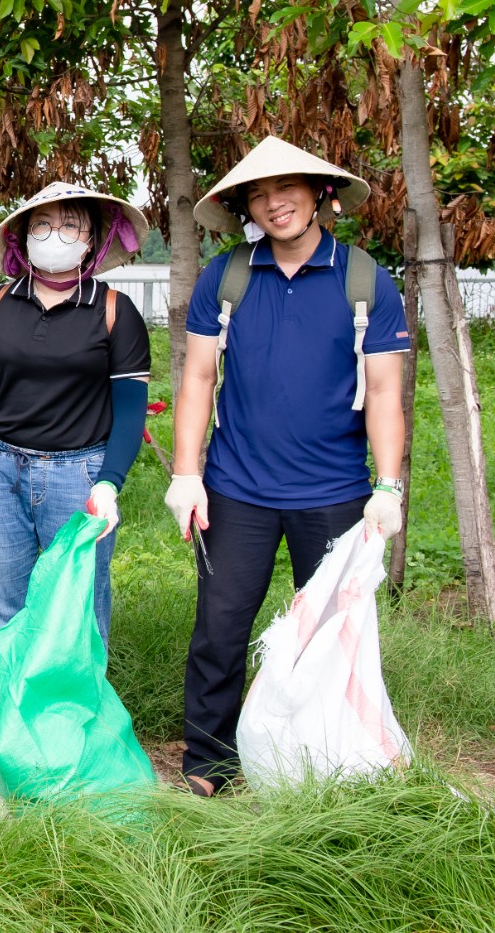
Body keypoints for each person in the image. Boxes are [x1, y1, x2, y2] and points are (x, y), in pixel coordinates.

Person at [168, 135, 411, 795]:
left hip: (334, 491)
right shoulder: (227, 276)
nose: (275, 203)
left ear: (319, 194)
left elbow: (386, 390)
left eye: (287, 189)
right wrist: (185, 472)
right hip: (236, 488)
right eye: (259, 193)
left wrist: (388, 485)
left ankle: (326, 758)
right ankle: (209, 762)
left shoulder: (365, 278)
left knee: (334, 632)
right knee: (219, 628)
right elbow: (196, 377)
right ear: (246, 204)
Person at [0, 182, 152, 788]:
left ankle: (76, 737)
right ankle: (5, 738)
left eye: (71, 226)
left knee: (77, 609)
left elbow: (129, 408)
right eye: (43, 226)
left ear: (92, 240)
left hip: (78, 475)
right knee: (4, 612)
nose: (57, 237)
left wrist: (110, 483)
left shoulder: (114, 310)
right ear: (22, 239)